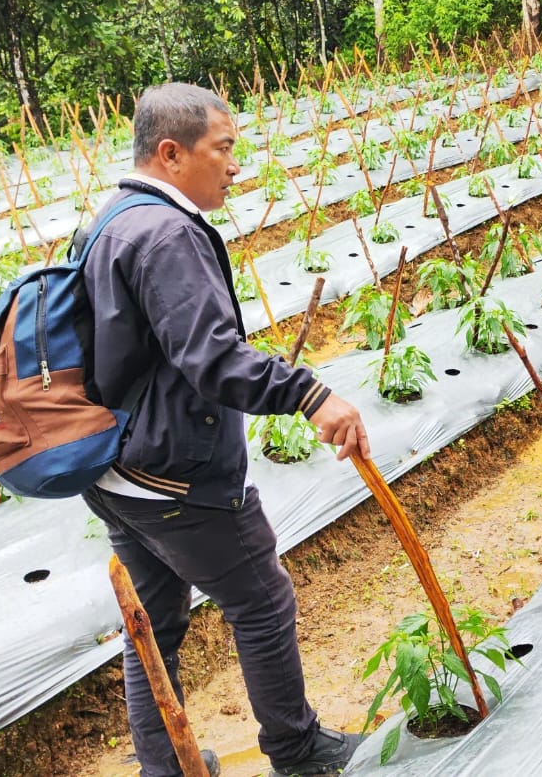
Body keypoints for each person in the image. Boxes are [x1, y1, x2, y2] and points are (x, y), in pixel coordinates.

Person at [77, 82, 369, 777]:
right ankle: (298, 752)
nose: (236, 165)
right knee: (261, 600)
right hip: (174, 475)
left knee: (153, 625)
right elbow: (211, 357)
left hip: (113, 467)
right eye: (225, 148)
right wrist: (309, 391)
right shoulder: (167, 232)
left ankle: (165, 763)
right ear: (172, 153)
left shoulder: (111, 217)